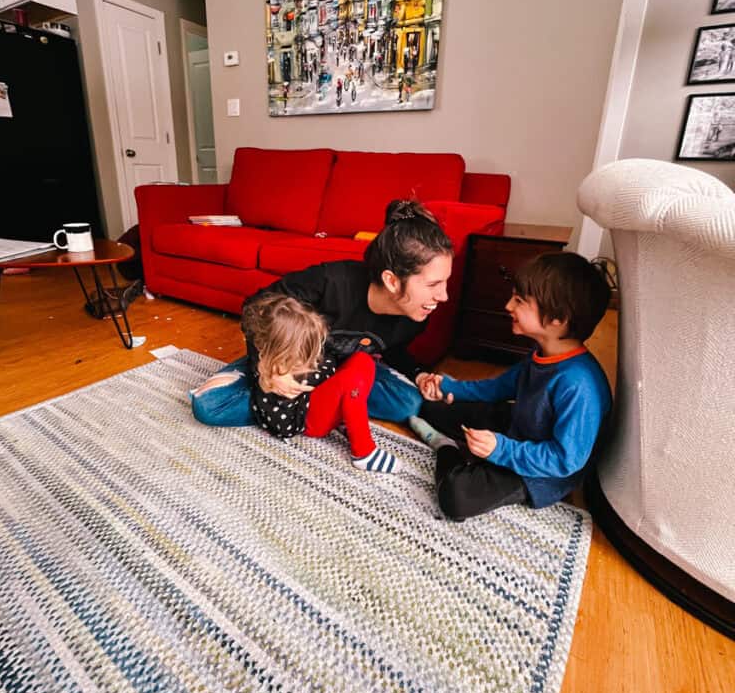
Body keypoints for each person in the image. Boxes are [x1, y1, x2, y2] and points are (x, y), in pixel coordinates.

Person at [191, 198, 454, 429]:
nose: (443, 296)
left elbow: (391, 345)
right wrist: (269, 369)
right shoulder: (330, 281)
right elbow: (255, 309)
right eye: (433, 285)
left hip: (347, 369)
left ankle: (313, 404)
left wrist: (419, 374)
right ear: (392, 281)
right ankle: (322, 405)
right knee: (210, 407)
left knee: (408, 405)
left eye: (445, 282)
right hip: (293, 361)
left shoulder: (417, 314)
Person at [409, 252, 612, 520]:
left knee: (457, 497)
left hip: (540, 472)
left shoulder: (579, 385)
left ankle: (445, 446)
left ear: (558, 319)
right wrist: (450, 387)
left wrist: (500, 449)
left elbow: (565, 460)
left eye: (519, 300)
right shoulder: (542, 353)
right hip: (521, 427)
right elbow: (498, 388)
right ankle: (468, 444)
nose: (508, 306)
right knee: (432, 409)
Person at [241, 293, 399, 472]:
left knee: (363, 360)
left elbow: (326, 367)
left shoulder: (289, 358)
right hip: (307, 421)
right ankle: (364, 452)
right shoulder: (277, 371)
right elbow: (282, 427)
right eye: (306, 352)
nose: (313, 356)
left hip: (314, 400)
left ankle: (347, 417)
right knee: (350, 382)